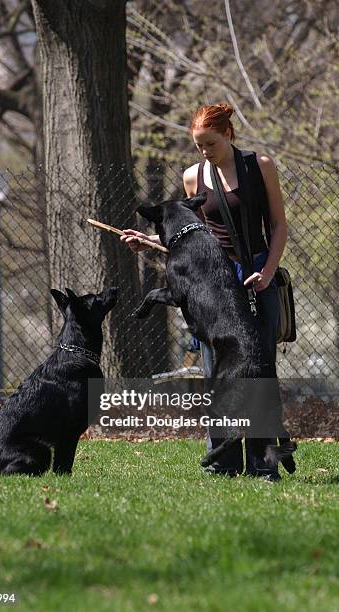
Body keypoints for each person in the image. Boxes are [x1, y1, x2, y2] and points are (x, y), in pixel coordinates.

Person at [121, 103, 289, 481]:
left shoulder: (259, 166)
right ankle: (224, 463)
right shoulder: (194, 177)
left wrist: (267, 271)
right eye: (198, 145)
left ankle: (264, 466)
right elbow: (192, 242)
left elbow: (279, 225)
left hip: (258, 275)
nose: (204, 152)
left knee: (259, 370)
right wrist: (149, 240)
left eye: (210, 143)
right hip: (214, 284)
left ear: (228, 134)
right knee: (218, 372)